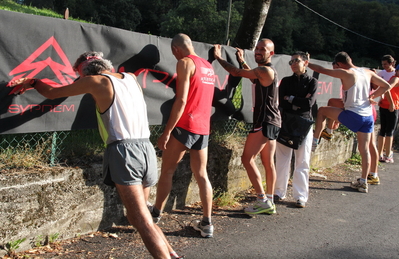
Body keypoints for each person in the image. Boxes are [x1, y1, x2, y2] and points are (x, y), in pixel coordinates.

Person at [8, 52, 183, 259]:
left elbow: (53, 93)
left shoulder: (95, 82)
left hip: (124, 151)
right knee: (140, 217)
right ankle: (171, 253)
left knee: (141, 219)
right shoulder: (131, 78)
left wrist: (34, 81)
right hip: (146, 150)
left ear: (85, 73)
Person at [150, 33, 215, 238]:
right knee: (202, 174)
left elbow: (181, 100)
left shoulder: (185, 63)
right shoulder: (208, 66)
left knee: (167, 171)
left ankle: (155, 215)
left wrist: (167, 132)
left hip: (185, 125)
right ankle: (207, 223)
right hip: (203, 127)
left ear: (175, 50)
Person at [213, 38, 281, 215]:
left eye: (262, 49)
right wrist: (242, 59)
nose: (258, 51)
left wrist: (218, 57)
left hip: (264, 121)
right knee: (268, 163)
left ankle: (262, 200)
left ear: (271, 53)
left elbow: (235, 73)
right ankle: (269, 200)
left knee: (246, 159)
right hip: (273, 121)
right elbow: (250, 75)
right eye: (257, 48)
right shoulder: (265, 72)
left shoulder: (264, 70)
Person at [308, 52, 390, 193]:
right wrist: (373, 96)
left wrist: (306, 62)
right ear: (350, 59)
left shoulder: (346, 73)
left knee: (322, 111)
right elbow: (386, 85)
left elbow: (321, 69)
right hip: (368, 116)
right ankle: (364, 182)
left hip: (353, 113)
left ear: (339, 64)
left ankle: (315, 141)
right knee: (364, 150)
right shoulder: (367, 71)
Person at [275, 51, 317, 208]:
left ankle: (300, 196)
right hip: (286, 122)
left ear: (305, 62)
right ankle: (279, 192)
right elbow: (282, 102)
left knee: (303, 161)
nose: (292, 64)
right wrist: (297, 101)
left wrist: (291, 98)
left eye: (296, 61)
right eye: (291, 61)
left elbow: (308, 104)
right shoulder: (285, 81)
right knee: (282, 159)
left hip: (304, 124)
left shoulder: (312, 82)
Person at [377, 65, 399, 163]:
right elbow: (387, 88)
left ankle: (380, 154)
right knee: (390, 131)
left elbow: (385, 87)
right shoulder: (396, 79)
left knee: (383, 130)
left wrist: (381, 98)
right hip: (392, 107)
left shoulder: (392, 78)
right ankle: (388, 155)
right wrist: (391, 103)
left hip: (384, 105)